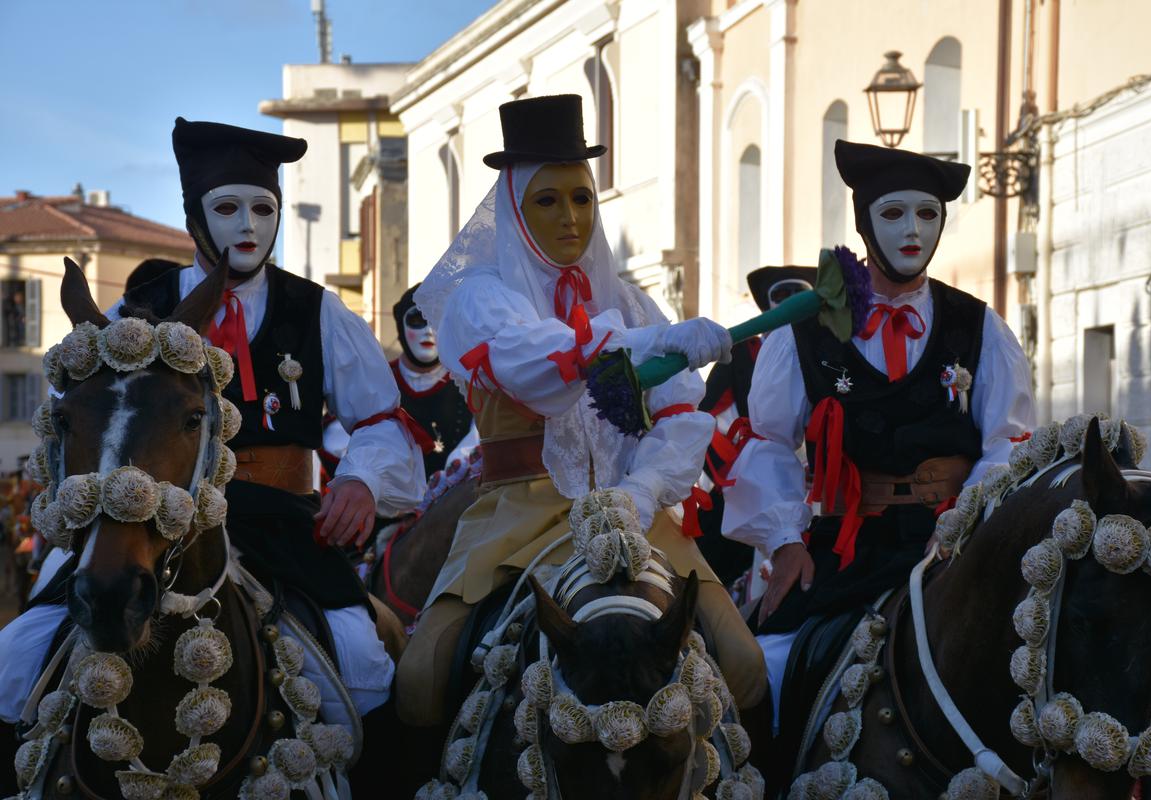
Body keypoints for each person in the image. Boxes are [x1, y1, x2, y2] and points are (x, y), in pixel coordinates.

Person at [394, 94, 767, 727]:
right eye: (547, 200)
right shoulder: (479, 298)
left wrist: (643, 492)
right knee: (422, 678)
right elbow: (535, 367)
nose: (570, 217)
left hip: (634, 515)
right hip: (519, 516)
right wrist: (656, 343)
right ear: (514, 208)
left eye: (582, 197)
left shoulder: (629, 300)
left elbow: (680, 416)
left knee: (745, 663)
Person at [113, 118, 426, 724]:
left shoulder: (318, 310)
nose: (249, 225)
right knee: (22, 656)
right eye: (227, 207)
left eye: (264, 207)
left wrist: (360, 481)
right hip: (153, 528)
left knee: (363, 666)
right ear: (193, 220)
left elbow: (385, 420)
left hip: (283, 525)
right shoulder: (137, 309)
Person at [722, 140, 1035, 728]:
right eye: (893, 213)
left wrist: (964, 522)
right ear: (864, 221)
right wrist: (785, 542)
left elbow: (1010, 444)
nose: (912, 230)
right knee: (767, 669)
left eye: (928, 214)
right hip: (845, 549)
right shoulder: (804, 332)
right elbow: (766, 443)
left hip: (953, 548)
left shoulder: (980, 326)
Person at [694, 266, 814, 588]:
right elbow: (704, 418)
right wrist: (730, 474)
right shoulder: (739, 354)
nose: (789, 302)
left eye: (797, 294)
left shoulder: (825, 348)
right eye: (781, 295)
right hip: (752, 478)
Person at [388, 284, 475, 477]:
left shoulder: (471, 379)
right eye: (418, 319)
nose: (428, 330)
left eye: (436, 320)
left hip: (458, 501)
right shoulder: (379, 380)